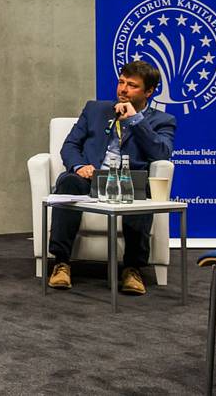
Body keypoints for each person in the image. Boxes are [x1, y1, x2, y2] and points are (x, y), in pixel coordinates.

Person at [47, 60, 176, 295]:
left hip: (128, 180)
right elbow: (70, 145)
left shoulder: (162, 121)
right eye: (121, 82)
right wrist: (79, 166)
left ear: (148, 91)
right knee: (68, 181)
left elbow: (161, 153)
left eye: (132, 85)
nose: (123, 89)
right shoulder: (95, 110)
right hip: (89, 178)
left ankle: (132, 269)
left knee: (142, 192)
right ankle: (62, 263)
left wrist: (136, 120)